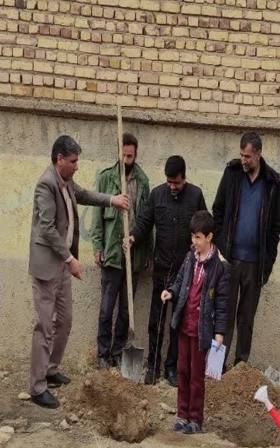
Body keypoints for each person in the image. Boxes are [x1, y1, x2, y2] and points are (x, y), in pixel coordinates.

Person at [28, 135, 129, 409]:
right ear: (59, 159)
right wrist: (70, 259)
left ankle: (50, 370)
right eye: (73, 162)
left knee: (66, 320)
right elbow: (47, 229)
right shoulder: (46, 185)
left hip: (61, 266)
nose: (76, 167)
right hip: (48, 265)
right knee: (44, 325)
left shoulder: (66, 182)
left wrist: (112, 200)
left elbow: (83, 195)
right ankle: (37, 386)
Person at [126, 155, 207, 386]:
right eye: (169, 182)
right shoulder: (157, 195)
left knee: (178, 322)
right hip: (162, 268)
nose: (172, 187)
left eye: (177, 183)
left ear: (184, 177)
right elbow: (144, 222)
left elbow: (205, 224)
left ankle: (172, 367)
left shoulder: (195, 195)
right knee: (157, 320)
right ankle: (153, 365)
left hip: (186, 271)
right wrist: (132, 237)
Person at [212, 131, 280, 368]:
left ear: (259, 155)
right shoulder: (232, 174)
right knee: (224, 315)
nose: (243, 160)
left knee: (246, 319)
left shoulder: (272, 181)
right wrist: (221, 251)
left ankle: (240, 367)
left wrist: (269, 261)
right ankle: (217, 368)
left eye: (248, 156)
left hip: (255, 264)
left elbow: (275, 226)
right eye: (241, 155)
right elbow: (218, 210)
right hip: (230, 260)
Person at [161, 211, 229, 435]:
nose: (194, 242)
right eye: (193, 237)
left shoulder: (220, 266)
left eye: (198, 237)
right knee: (182, 370)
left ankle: (195, 418)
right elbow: (180, 280)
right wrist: (171, 292)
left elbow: (222, 302)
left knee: (197, 375)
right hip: (184, 325)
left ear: (209, 237)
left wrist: (219, 332)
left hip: (202, 330)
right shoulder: (190, 257)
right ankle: (182, 414)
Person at [91, 132, 151, 369]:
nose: (127, 160)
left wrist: (146, 252)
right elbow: (97, 215)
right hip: (112, 254)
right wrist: (97, 246)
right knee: (106, 309)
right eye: (124, 155)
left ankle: (118, 351)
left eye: (131, 156)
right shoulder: (107, 178)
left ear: (136, 155)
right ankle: (102, 354)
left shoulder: (143, 181)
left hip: (133, 256)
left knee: (126, 312)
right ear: (118, 153)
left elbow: (147, 219)